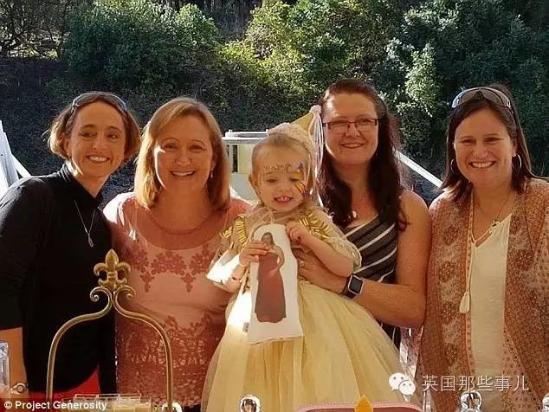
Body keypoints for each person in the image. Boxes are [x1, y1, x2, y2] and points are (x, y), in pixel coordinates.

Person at [203, 123, 405, 411]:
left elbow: (345, 266)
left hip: (319, 323)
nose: (284, 188)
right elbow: (226, 281)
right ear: (255, 182)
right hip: (258, 325)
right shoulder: (246, 224)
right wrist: (242, 259)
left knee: (319, 384)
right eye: (272, 180)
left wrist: (311, 241)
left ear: (308, 182)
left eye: (294, 179)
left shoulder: (315, 219)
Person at [103, 97, 249, 409]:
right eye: (169, 146)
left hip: (220, 398)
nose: (183, 159)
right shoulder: (121, 215)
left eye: (196, 147)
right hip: (137, 403)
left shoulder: (243, 222)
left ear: (214, 158)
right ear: (150, 154)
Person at [0, 92, 140, 398]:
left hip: (83, 388)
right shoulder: (32, 197)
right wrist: (14, 380)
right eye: (87, 133)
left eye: (112, 135)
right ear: (65, 141)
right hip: (28, 389)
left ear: (126, 149)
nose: (99, 145)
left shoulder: (101, 223)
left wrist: (107, 392)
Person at [419, 84, 548, 411]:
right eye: (467, 141)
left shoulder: (543, 205)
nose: (479, 152)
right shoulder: (441, 212)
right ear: (453, 147)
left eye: (491, 139)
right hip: (457, 396)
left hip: (532, 395)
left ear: (514, 144)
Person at [294, 79, 431, 352]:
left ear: (380, 127)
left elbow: (414, 309)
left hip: (375, 359)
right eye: (339, 123)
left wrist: (343, 283)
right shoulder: (298, 201)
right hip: (305, 358)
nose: (352, 131)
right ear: (320, 129)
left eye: (364, 121)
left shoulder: (408, 206)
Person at [254, 232, 286, 323]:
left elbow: (282, 260)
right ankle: (263, 316)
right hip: (263, 273)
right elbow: (259, 262)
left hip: (274, 273)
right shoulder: (261, 249)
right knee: (263, 293)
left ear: (271, 238)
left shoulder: (276, 248)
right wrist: (257, 274)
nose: (266, 240)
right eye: (264, 238)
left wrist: (276, 269)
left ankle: (276, 316)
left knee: (274, 293)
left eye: (268, 238)